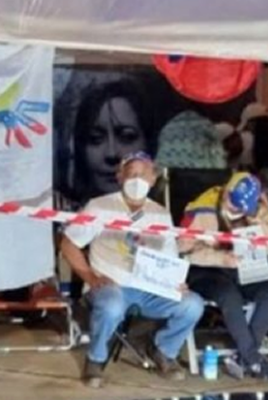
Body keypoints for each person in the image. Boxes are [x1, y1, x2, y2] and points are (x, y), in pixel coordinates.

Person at [61, 151, 204, 388]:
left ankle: (163, 350)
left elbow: (169, 257)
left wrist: (176, 282)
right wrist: (90, 277)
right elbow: (68, 244)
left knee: (193, 304)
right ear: (120, 176)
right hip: (111, 286)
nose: (137, 180)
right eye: (131, 173)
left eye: (143, 174)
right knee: (112, 304)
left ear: (153, 179)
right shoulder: (100, 207)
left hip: (150, 288)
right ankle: (96, 358)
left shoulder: (160, 214)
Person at [179, 172, 268, 383]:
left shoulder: (258, 209)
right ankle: (254, 360)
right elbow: (183, 251)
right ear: (226, 192)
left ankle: (244, 357)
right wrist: (221, 258)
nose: (235, 210)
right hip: (208, 270)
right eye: (232, 203)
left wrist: (256, 220)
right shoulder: (202, 209)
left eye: (241, 208)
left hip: (243, 268)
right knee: (229, 296)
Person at [71, 80, 155, 203]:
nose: (111, 154)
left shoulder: (167, 213)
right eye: (95, 138)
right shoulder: (60, 212)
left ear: (149, 144)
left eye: (127, 137)